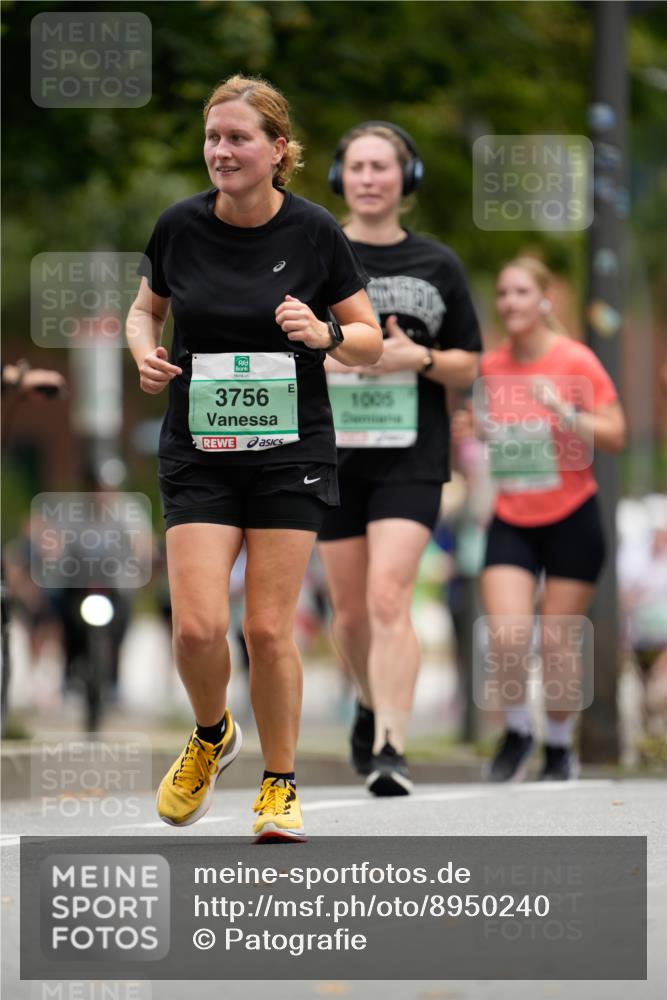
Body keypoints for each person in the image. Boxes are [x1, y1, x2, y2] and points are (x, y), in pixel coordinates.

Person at [126, 76, 381, 842]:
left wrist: (325, 335)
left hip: (288, 451)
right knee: (198, 627)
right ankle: (211, 736)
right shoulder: (179, 226)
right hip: (199, 450)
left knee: (267, 630)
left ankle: (279, 785)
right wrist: (144, 353)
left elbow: (368, 339)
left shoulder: (312, 234)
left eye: (237, 138)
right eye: (212, 137)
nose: (221, 151)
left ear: (277, 149)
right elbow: (146, 309)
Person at [318, 122, 481, 795]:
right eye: (356, 166)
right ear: (339, 177)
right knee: (350, 613)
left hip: (410, 453)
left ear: (405, 179)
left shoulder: (437, 264)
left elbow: (469, 362)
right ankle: (365, 699)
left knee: (390, 595)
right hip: (330, 453)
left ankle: (390, 745)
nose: (368, 178)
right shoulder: (313, 250)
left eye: (381, 166)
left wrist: (422, 358)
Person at [474, 257, 626, 780]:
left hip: (571, 517)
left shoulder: (575, 359)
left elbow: (616, 434)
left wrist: (563, 411)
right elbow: (490, 433)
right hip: (513, 515)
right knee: (508, 635)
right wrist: (475, 433)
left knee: (557, 640)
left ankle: (560, 747)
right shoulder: (492, 367)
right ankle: (518, 731)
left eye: (520, 292)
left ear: (544, 301)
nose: (510, 303)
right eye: (503, 294)